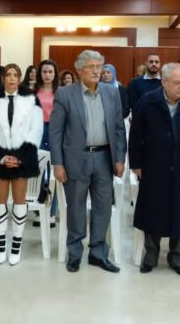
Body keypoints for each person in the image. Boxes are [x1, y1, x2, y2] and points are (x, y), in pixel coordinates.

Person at [50, 50, 127, 273]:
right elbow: (55, 131)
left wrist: (119, 157)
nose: (96, 71)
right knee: (76, 207)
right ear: (79, 69)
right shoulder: (65, 94)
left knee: (103, 207)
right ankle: (74, 253)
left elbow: (119, 128)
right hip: (76, 158)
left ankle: (98, 253)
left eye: (99, 66)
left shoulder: (111, 92)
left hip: (104, 158)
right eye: (91, 67)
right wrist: (57, 163)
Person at [130, 63, 180, 277]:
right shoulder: (147, 102)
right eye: (177, 83)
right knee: (152, 210)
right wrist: (136, 164)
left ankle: (178, 257)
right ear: (164, 82)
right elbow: (135, 136)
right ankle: (151, 254)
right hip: (153, 166)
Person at [0, 64, 44, 265]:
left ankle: (15, 247)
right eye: (8, 75)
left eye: (15, 75)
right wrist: (1, 157)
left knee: (19, 201)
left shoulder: (31, 100)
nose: (11, 78)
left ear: (19, 78)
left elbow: (36, 130)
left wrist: (20, 157)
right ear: (3, 78)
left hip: (22, 159)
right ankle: (1, 246)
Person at [34, 59, 59, 228]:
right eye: (44, 71)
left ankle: (51, 212)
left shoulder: (61, 92)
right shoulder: (33, 91)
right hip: (37, 130)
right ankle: (39, 210)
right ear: (40, 74)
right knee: (39, 170)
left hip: (55, 130)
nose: (47, 75)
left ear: (55, 74)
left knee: (53, 173)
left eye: (50, 71)